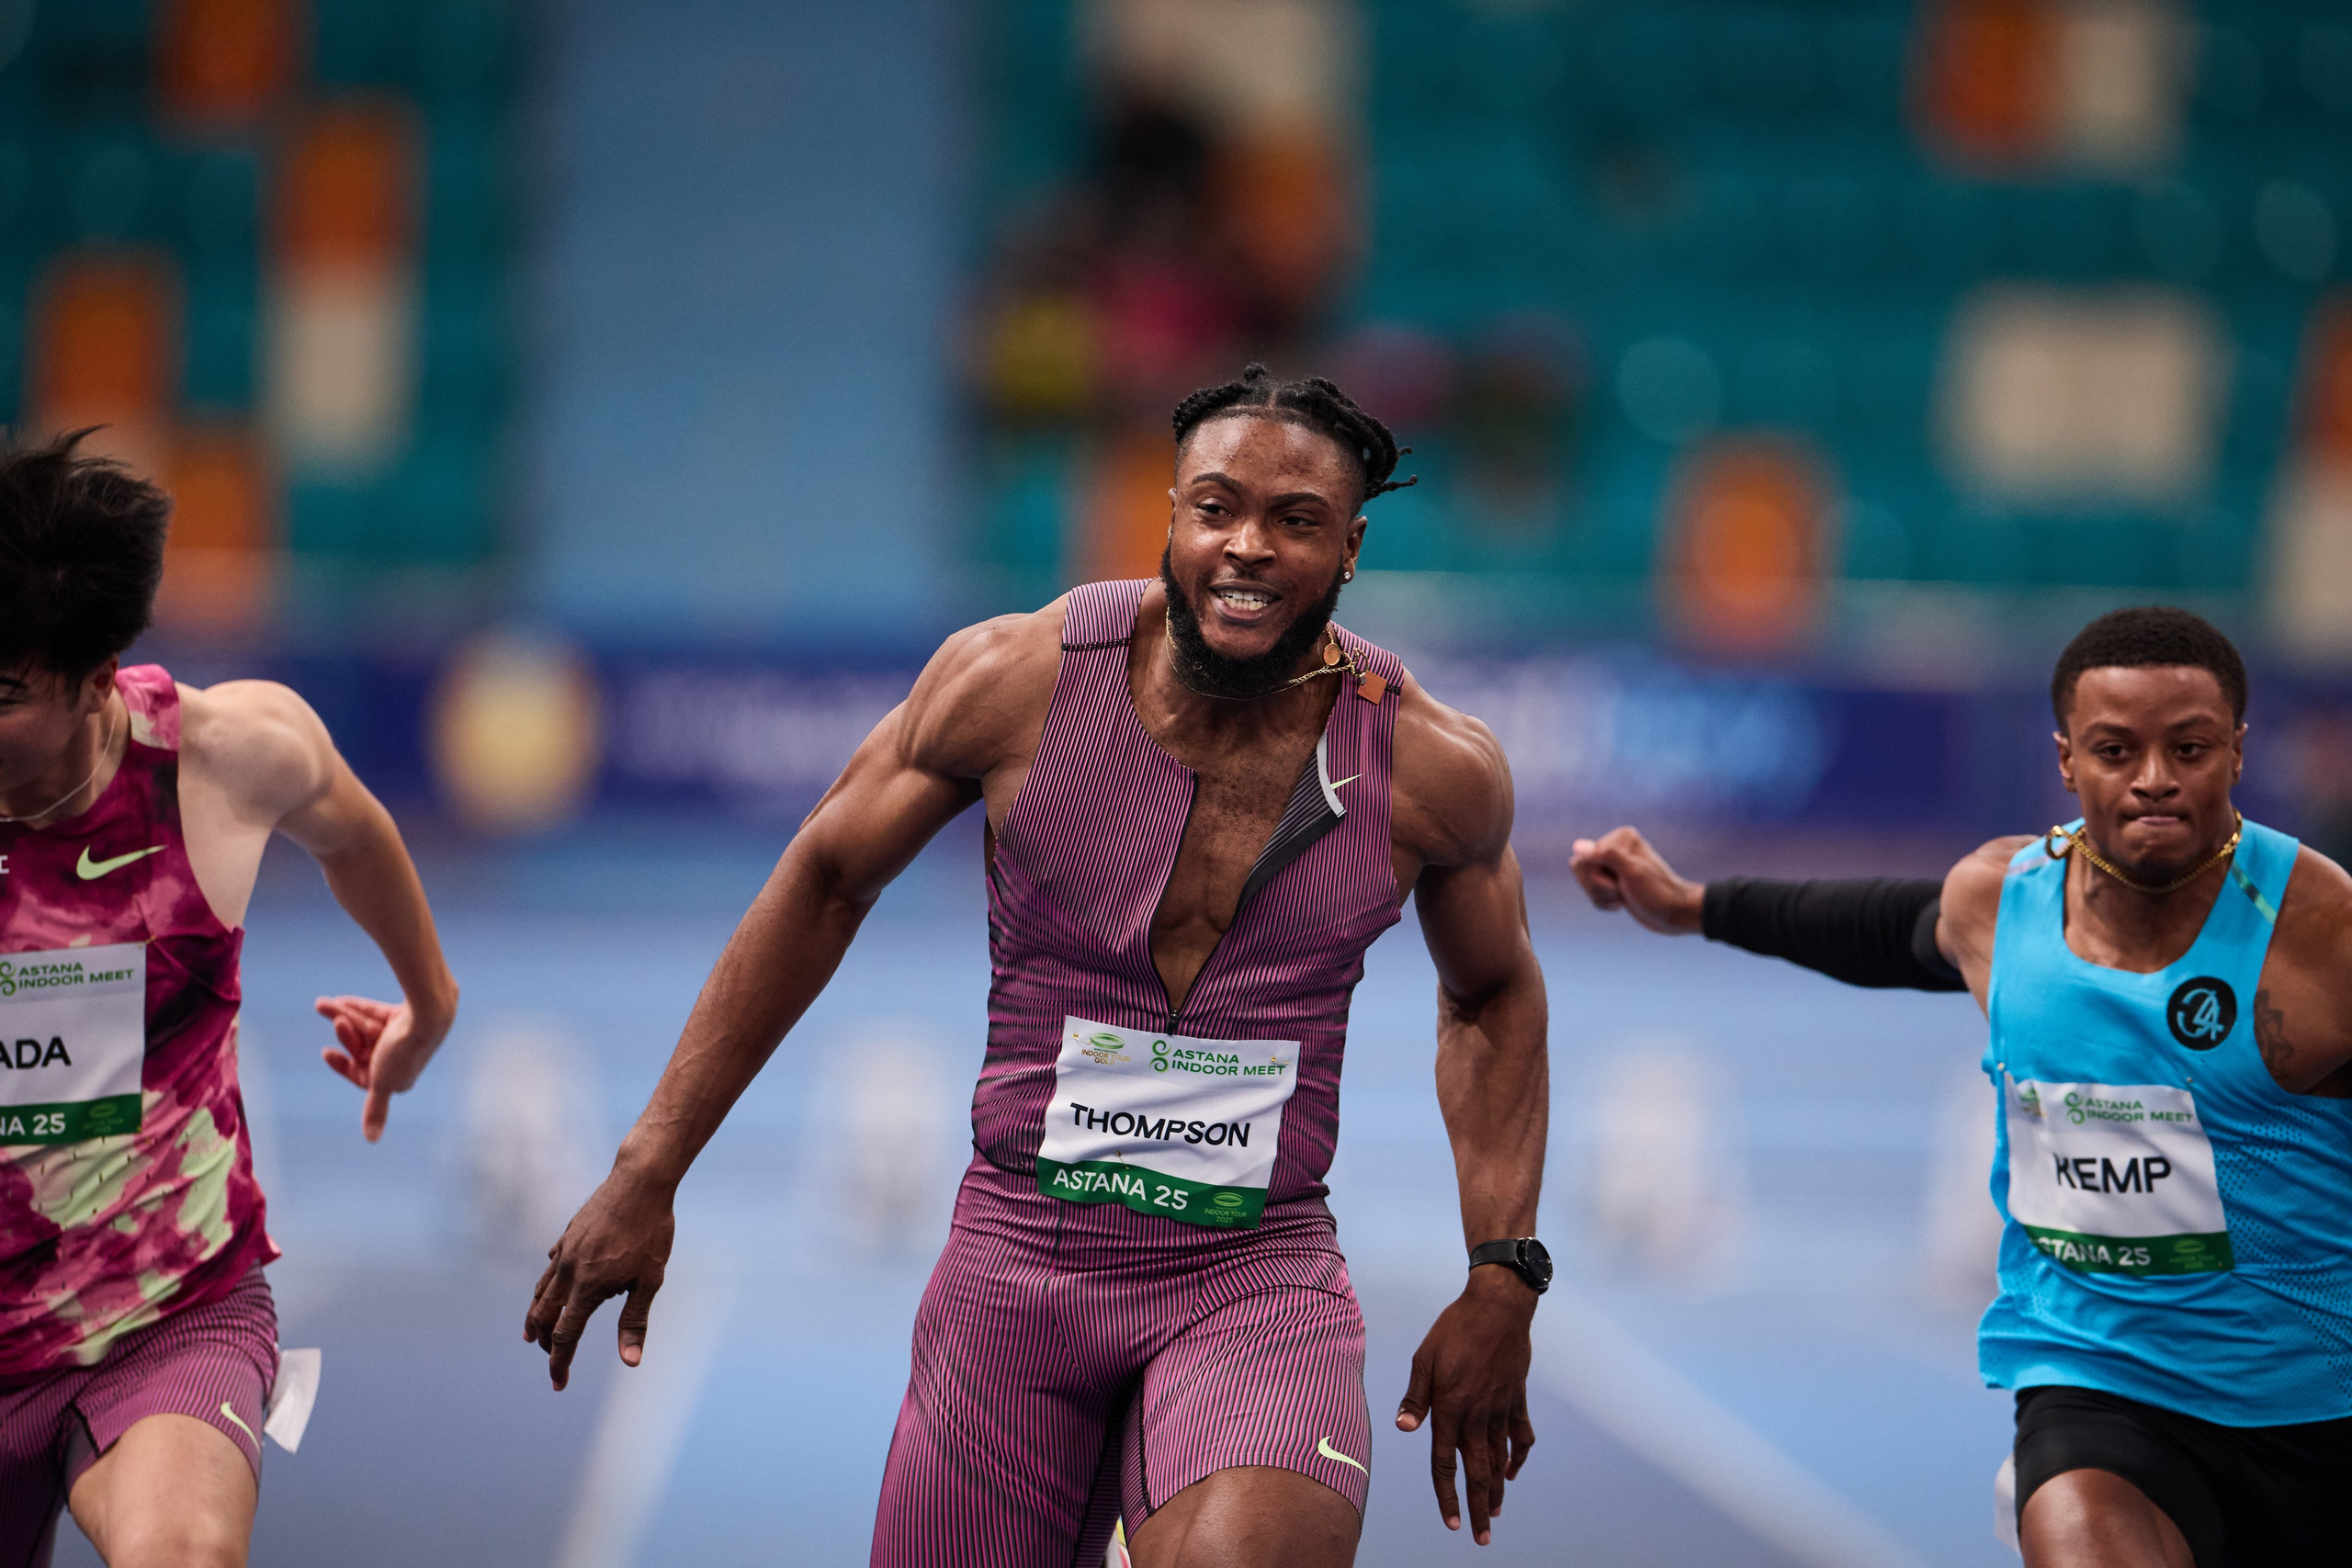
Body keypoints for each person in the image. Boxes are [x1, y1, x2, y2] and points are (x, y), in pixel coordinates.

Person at [526, 364, 1554, 1565]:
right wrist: (650, 1165)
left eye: (1297, 520)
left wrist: (1504, 1270)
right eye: (1216, 506)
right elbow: (823, 878)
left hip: (1252, 1269)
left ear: (1351, 548)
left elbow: (1494, 987)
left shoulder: (1432, 767)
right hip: (1018, 1265)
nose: (1247, 547)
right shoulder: (1013, 681)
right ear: (1167, 511)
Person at [1569, 606, 2352, 1568]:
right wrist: (1693, 907)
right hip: (2100, 1386)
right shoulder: (2004, 900)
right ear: (2067, 760)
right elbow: (1881, 925)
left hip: (2317, 1405)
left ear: (2236, 750)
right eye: (2116, 750)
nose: (2154, 779)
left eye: (2188, 748)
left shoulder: (2321, 940)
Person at [0, 432, 460, 1568]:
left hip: (168, 1309)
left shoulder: (223, 758)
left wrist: (428, 1011)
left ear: (97, 675)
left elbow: (356, 834)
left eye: (3, 692)